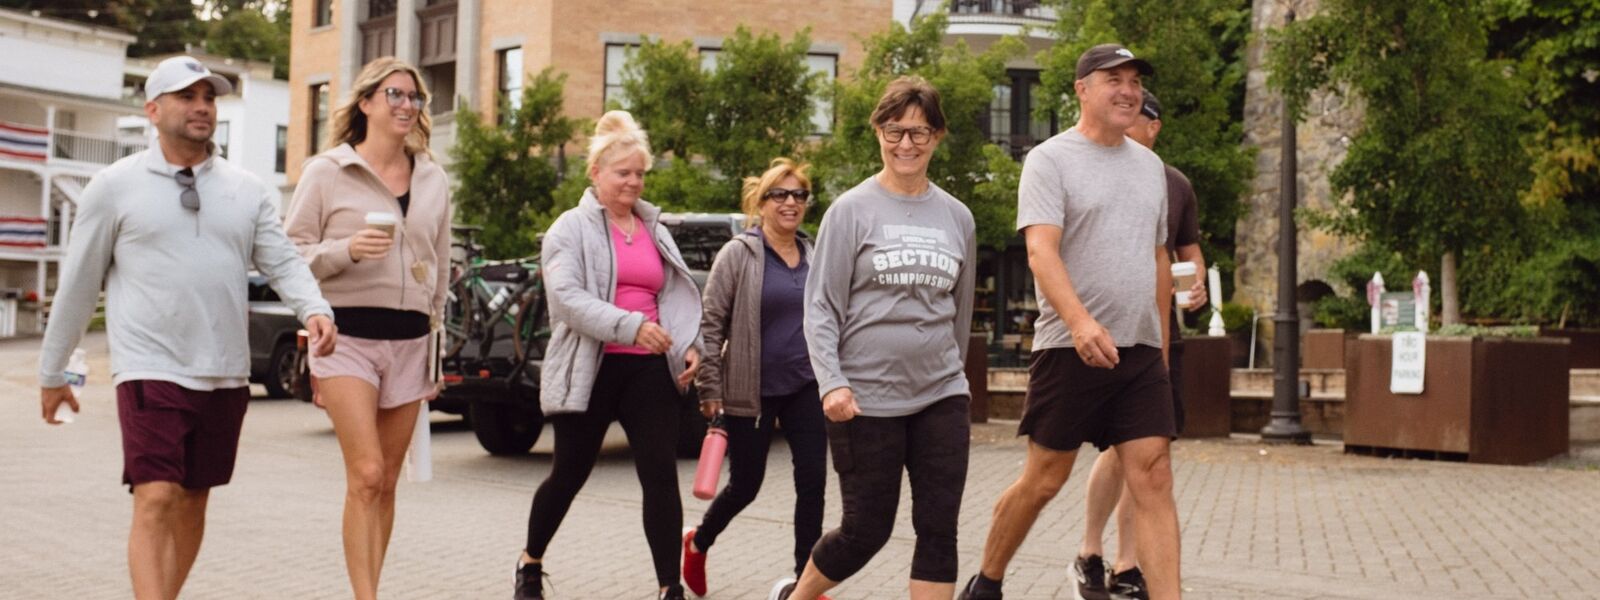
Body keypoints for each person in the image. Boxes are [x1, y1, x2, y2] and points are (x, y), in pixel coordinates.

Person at [37, 55, 336, 600]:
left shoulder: (246, 190)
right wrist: (52, 369)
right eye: (187, 96)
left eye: (209, 98)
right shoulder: (114, 187)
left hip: (224, 370)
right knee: (156, 496)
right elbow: (79, 283)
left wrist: (315, 309)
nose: (202, 107)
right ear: (152, 110)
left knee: (195, 497)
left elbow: (285, 261)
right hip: (149, 367)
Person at [959, 44, 1181, 600]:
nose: (1127, 89)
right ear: (1082, 89)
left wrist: (1163, 343)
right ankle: (987, 581)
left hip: (1138, 353)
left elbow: (1157, 260)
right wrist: (1081, 323)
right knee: (1044, 480)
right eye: (1114, 79)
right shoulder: (1050, 160)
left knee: (1153, 474)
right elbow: (1041, 253)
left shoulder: (1151, 167)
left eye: (1134, 80)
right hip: (1069, 347)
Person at [776, 76, 978, 600]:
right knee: (866, 530)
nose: (906, 144)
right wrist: (832, 384)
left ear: (937, 136)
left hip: (941, 394)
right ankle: (798, 596)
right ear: (878, 133)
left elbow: (961, 309)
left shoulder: (958, 217)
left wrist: (953, 374)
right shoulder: (851, 210)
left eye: (918, 132)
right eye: (894, 131)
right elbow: (820, 306)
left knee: (939, 527)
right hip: (863, 400)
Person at [515, 110, 704, 600]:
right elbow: (567, 301)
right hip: (591, 366)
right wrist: (632, 326)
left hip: (648, 370)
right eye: (624, 173)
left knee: (660, 474)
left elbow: (676, 295)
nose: (634, 182)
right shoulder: (569, 229)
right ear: (596, 173)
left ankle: (670, 587)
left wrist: (687, 344)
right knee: (569, 473)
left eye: (640, 173)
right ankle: (530, 562)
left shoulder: (653, 227)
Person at [283, 57, 451, 600]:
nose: (407, 106)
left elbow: (441, 267)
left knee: (388, 482)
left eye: (414, 97)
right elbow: (288, 256)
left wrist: (437, 345)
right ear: (366, 104)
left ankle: (370, 587)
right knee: (368, 473)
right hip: (346, 337)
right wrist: (346, 251)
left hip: (411, 341)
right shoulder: (328, 171)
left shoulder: (433, 177)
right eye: (395, 95)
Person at [1074, 89, 1208, 600]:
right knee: (1103, 455)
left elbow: (1189, 254)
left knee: (1147, 456)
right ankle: (1090, 549)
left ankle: (1127, 563)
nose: (1128, 124)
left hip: (1156, 340)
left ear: (1155, 126)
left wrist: (1195, 286)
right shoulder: (1084, 166)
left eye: (1139, 118)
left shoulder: (1172, 184)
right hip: (1093, 334)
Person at [681, 158, 829, 598]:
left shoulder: (814, 252)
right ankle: (698, 541)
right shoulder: (738, 254)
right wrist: (710, 388)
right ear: (761, 202)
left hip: (806, 384)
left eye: (798, 195)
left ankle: (807, 582)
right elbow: (710, 326)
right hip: (752, 388)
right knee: (746, 484)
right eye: (779, 194)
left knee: (813, 483)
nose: (790, 203)